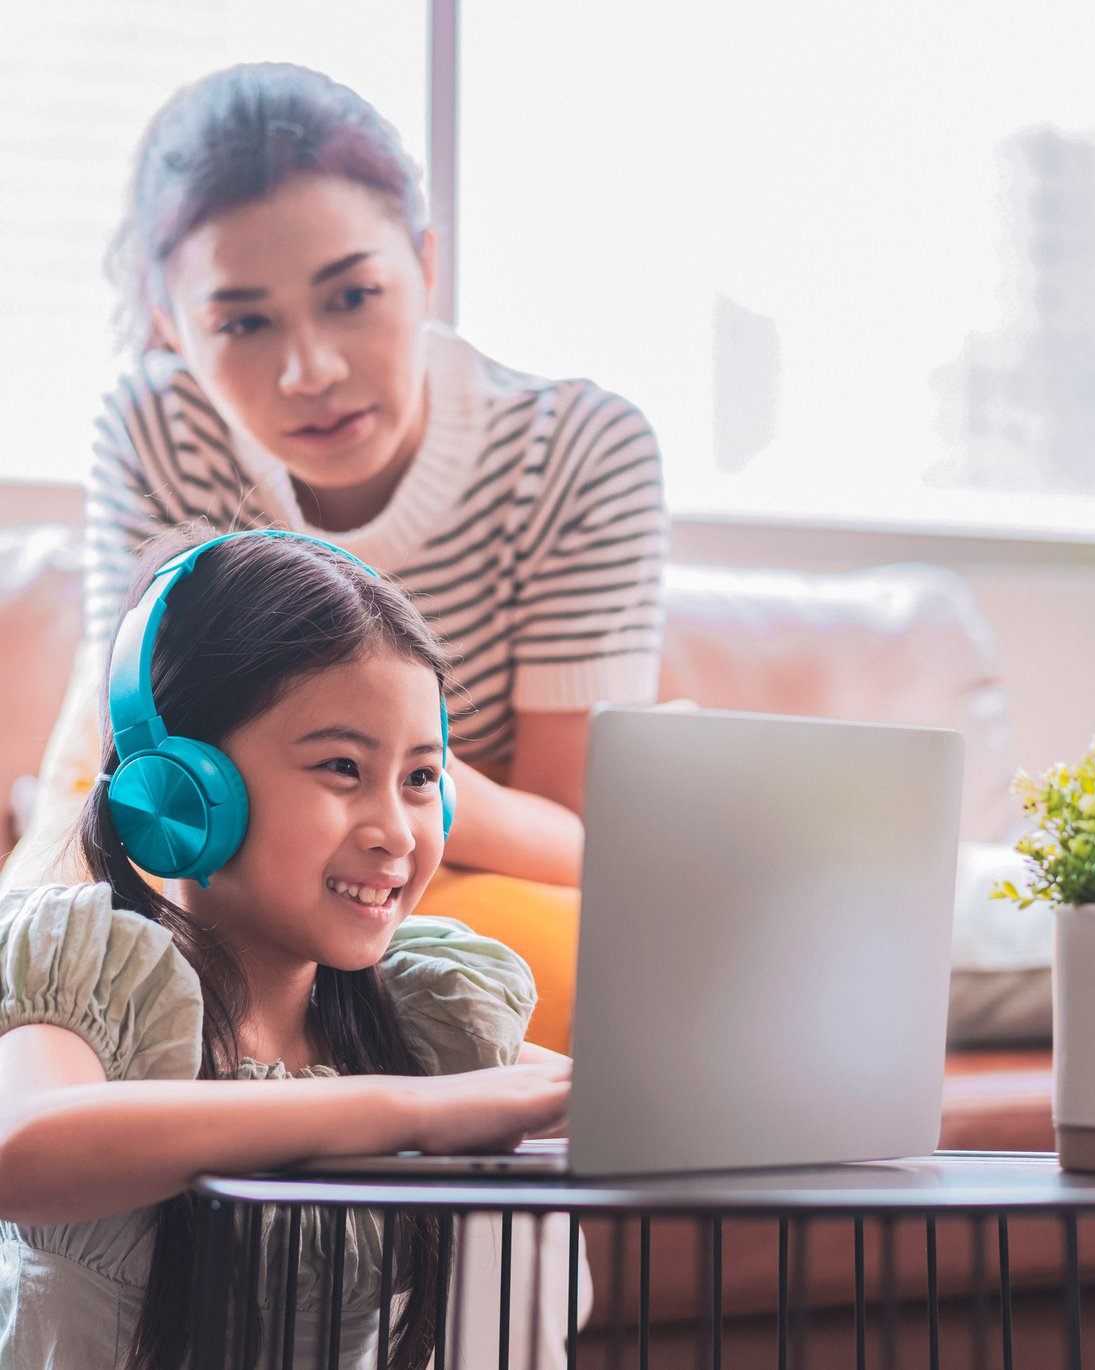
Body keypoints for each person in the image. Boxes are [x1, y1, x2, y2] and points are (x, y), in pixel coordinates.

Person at [3, 63, 667, 1041]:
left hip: (465, 843)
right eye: (242, 322)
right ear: (169, 328)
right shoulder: (156, 423)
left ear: (426, 263)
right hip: (221, 841)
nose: (310, 369)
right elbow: (156, 781)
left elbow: (575, 836)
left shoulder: (574, 449)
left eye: (352, 295)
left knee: (626, 947)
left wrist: (394, 776)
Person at [0, 530, 573, 1370]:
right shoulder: (95, 983)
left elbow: (608, 1102)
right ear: (185, 792)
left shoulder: (419, 1019)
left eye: (420, 779)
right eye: (342, 766)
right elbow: (21, 1147)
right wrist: (412, 1110)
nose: (394, 834)